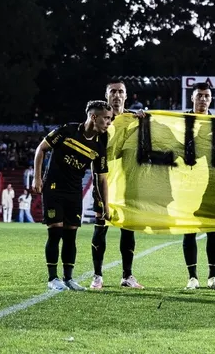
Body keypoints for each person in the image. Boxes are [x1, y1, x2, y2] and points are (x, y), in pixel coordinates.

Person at [34, 100, 113, 291]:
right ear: (94, 117)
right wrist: (37, 178)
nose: (109, 123)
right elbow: (41, 149)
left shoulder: (99, 146)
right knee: (55, 232)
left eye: (110, 119)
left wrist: (106, 206)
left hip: (74, 192)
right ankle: (53, 279)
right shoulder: (68, 131)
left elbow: (101, 178)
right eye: (106, 119)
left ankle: (68, 279)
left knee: (71, 235)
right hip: (54, 188)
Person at [90, 80, 146, 290]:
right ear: (106, 95)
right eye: (112, 91)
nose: (116, 95)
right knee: (100, 225)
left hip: (127, 180)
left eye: (120, 91)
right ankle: (97, 276)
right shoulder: (98, 118)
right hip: (102, 178)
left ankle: (127, 275)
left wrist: (143, 120)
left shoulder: (133, 118)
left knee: (127, 228)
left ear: (126, 95)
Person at [182, 82, 215, 290]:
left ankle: (212, 276)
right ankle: (192, 277)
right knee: (189, 230)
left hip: (212, 183)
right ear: (192, 98)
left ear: (211, 99)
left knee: (213, 231)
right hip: (188, 182)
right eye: (199, 95)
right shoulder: (181, 121)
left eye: (206, 96)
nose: (203, 99)